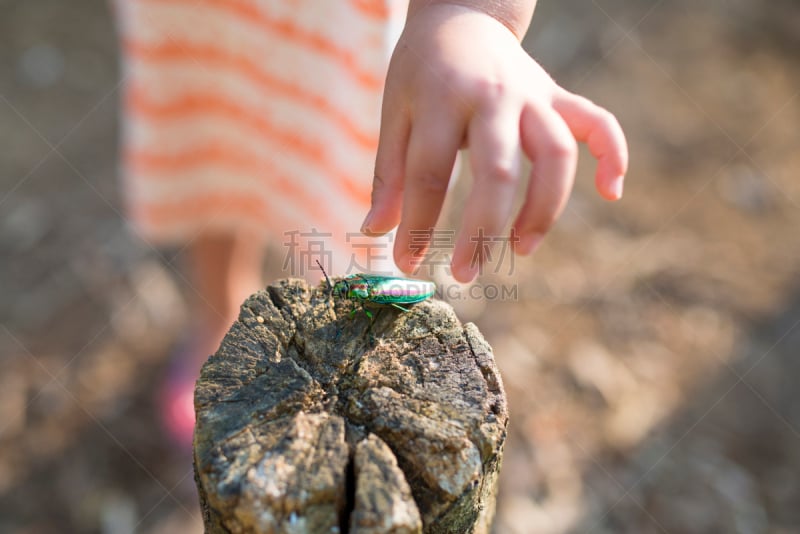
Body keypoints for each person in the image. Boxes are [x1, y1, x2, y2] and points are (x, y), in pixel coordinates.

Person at [115, 0, 628, 446]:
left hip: (342, 32)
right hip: (199, 16)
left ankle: (345, 371)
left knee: (349, 193)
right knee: (211, 127)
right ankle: (218, 313)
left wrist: (471, 11)